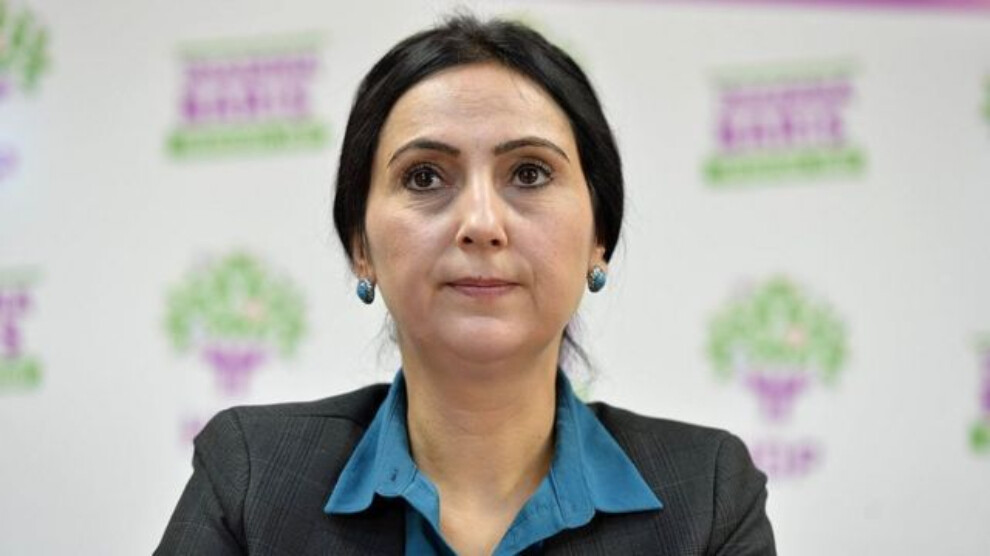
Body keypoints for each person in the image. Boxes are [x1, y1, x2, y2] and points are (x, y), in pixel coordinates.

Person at [156, 15, 776, 556]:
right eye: (424, 177)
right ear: (360, 246)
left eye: (529, 173)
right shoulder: (254, 477)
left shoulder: (707, 495)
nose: (481, 223)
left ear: (599, 237)